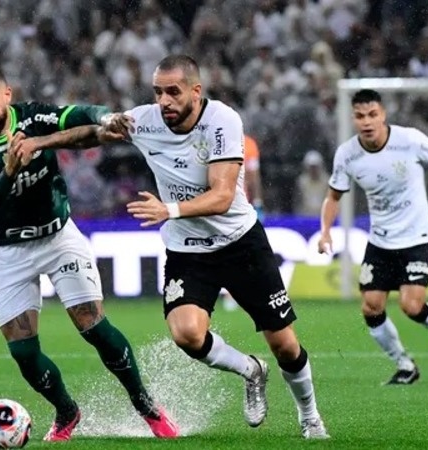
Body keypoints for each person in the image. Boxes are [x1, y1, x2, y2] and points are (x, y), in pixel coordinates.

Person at [82, 54, 328, 439]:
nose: (163, 100)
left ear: (196, 91)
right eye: (158, 92)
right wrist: (39, 142)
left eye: (173, 92)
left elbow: (223, 197)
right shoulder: (144, 120)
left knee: (284, 344)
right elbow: (89, 134)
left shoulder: (223, 121)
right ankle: (250, 369)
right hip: (189, 250)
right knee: (187, 334)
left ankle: (309, 415)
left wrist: (169, 209)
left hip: (241, 243)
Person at [0, 65, 178, 442]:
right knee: (24, 354)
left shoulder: (34, 117)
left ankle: (146, 406)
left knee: (93, 327)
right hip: (8, 251)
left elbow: (77, 116)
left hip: (58, 238)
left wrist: (105, 116)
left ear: (7, 95)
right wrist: (7, 171)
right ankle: (67, 412)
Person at [318, 89, 428, 385]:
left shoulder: (410, 140)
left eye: (372, 115)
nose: (366, 122)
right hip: (380, 240)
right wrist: (325, 232)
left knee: (411, 306)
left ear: (383, 115)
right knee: (371, 306)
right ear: (353, 119)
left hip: (416, 236)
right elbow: (333, 196)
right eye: (360, 116)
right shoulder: (347, 154)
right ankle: (405, 365)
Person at [221, 133, 264, 311]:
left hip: (228, 205)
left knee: (231, 251)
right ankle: (239, 293)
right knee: (241, 251)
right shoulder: (247, 143)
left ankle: (232, 293)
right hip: (233, 205)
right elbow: (253, 176)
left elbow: (253, 176)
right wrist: (259, 201)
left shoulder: (209, 137)